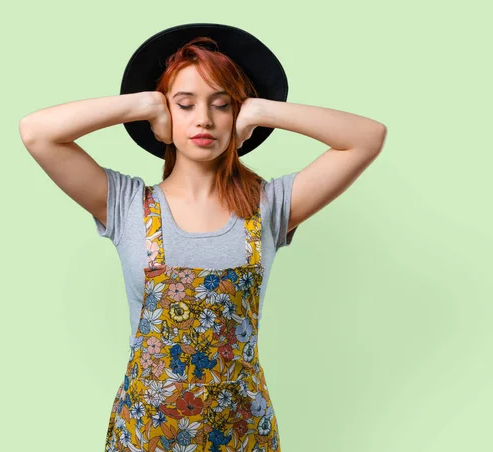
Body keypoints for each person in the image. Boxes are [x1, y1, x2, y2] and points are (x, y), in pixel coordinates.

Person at [19, 23, 386, 452]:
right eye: (185, 104)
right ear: (164, 115)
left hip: (242, 434)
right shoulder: (124, 204)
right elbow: (36, 132)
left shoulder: (269, 206)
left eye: (221, 104)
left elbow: (367, 138)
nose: (204, 120)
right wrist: (145, 102)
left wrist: (263, 112)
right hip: (147, 435)